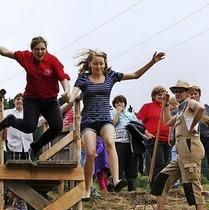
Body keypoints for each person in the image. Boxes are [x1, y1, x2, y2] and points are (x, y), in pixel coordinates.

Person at [69, 49, 165, 200]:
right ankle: (87, 189)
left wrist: (152, 62)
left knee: (109, 141)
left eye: (101, 64)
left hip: (105, 119)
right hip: (88, 121)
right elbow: (72, 95)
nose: (98, 66)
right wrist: (68, 96)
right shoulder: (83, 78)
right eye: (95, 64)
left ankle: (116, 180)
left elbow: (135, 75)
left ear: (105, 64)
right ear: (90, 64)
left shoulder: (110, 76)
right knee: (90, 153)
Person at [0, 36, 71, 165]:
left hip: (50, 100)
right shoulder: (26, 57)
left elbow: (63, 78)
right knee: (29, 126)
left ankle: (35, 147)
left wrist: (66, 91)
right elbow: (5, 51)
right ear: (32, 50)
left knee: (57, 127)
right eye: (37, 50)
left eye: (42, 49)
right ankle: (11, 120)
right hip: (32, 99)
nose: (40, 52)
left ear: (46, 49)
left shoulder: (52, 60)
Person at [148, 82, 206, 210]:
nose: (178, 94)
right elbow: (167, 122)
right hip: (181, 151)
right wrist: (166, 104)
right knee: (162, 179)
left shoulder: (190, 103)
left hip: (190, 148)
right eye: (176, 91)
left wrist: (193, 125)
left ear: (187, 92)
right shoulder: (180, 111)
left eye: (181, 91)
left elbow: (201, 108)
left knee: (193, 185)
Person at [137, 86, 171, 183]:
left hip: (167, 139)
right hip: (154, 139)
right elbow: (138, 122)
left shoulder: (166, 108)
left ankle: (162, 186)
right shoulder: (147, 106)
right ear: (154, 96)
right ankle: (155, 187)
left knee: (166, 164)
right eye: (158, 94)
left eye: (163, 94)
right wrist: (146, 133)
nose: (161, 96)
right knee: (158, 164)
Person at [112, 95, 140, 191]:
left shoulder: (131, 114)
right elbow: (113, 123)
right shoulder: (112, 112)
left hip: (131, 143)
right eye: (117, 102)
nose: (119, 103)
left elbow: (138, 127)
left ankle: (132, 187)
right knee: (119, 164)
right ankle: (116, 186)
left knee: (132, 164)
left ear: (125, 103)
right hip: (118, 142)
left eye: (121, 102)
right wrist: (118, 113)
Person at [191, 85, 209, 184]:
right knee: (196, 160)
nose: (194, 96)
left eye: (196, 94)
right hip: (196, 137)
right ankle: (197, 182)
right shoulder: (188, 108)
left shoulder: (206, 107)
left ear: (199, 95)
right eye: (192, 94)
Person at [5, 93, 36, 160]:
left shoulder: (29, 113)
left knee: (29, 169)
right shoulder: (8, 113)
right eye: (18, 99)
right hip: (14, 147)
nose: (20, 101)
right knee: (14, 169)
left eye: (22, 99)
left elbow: (37, 122)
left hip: (28, 147)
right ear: (14, 101)